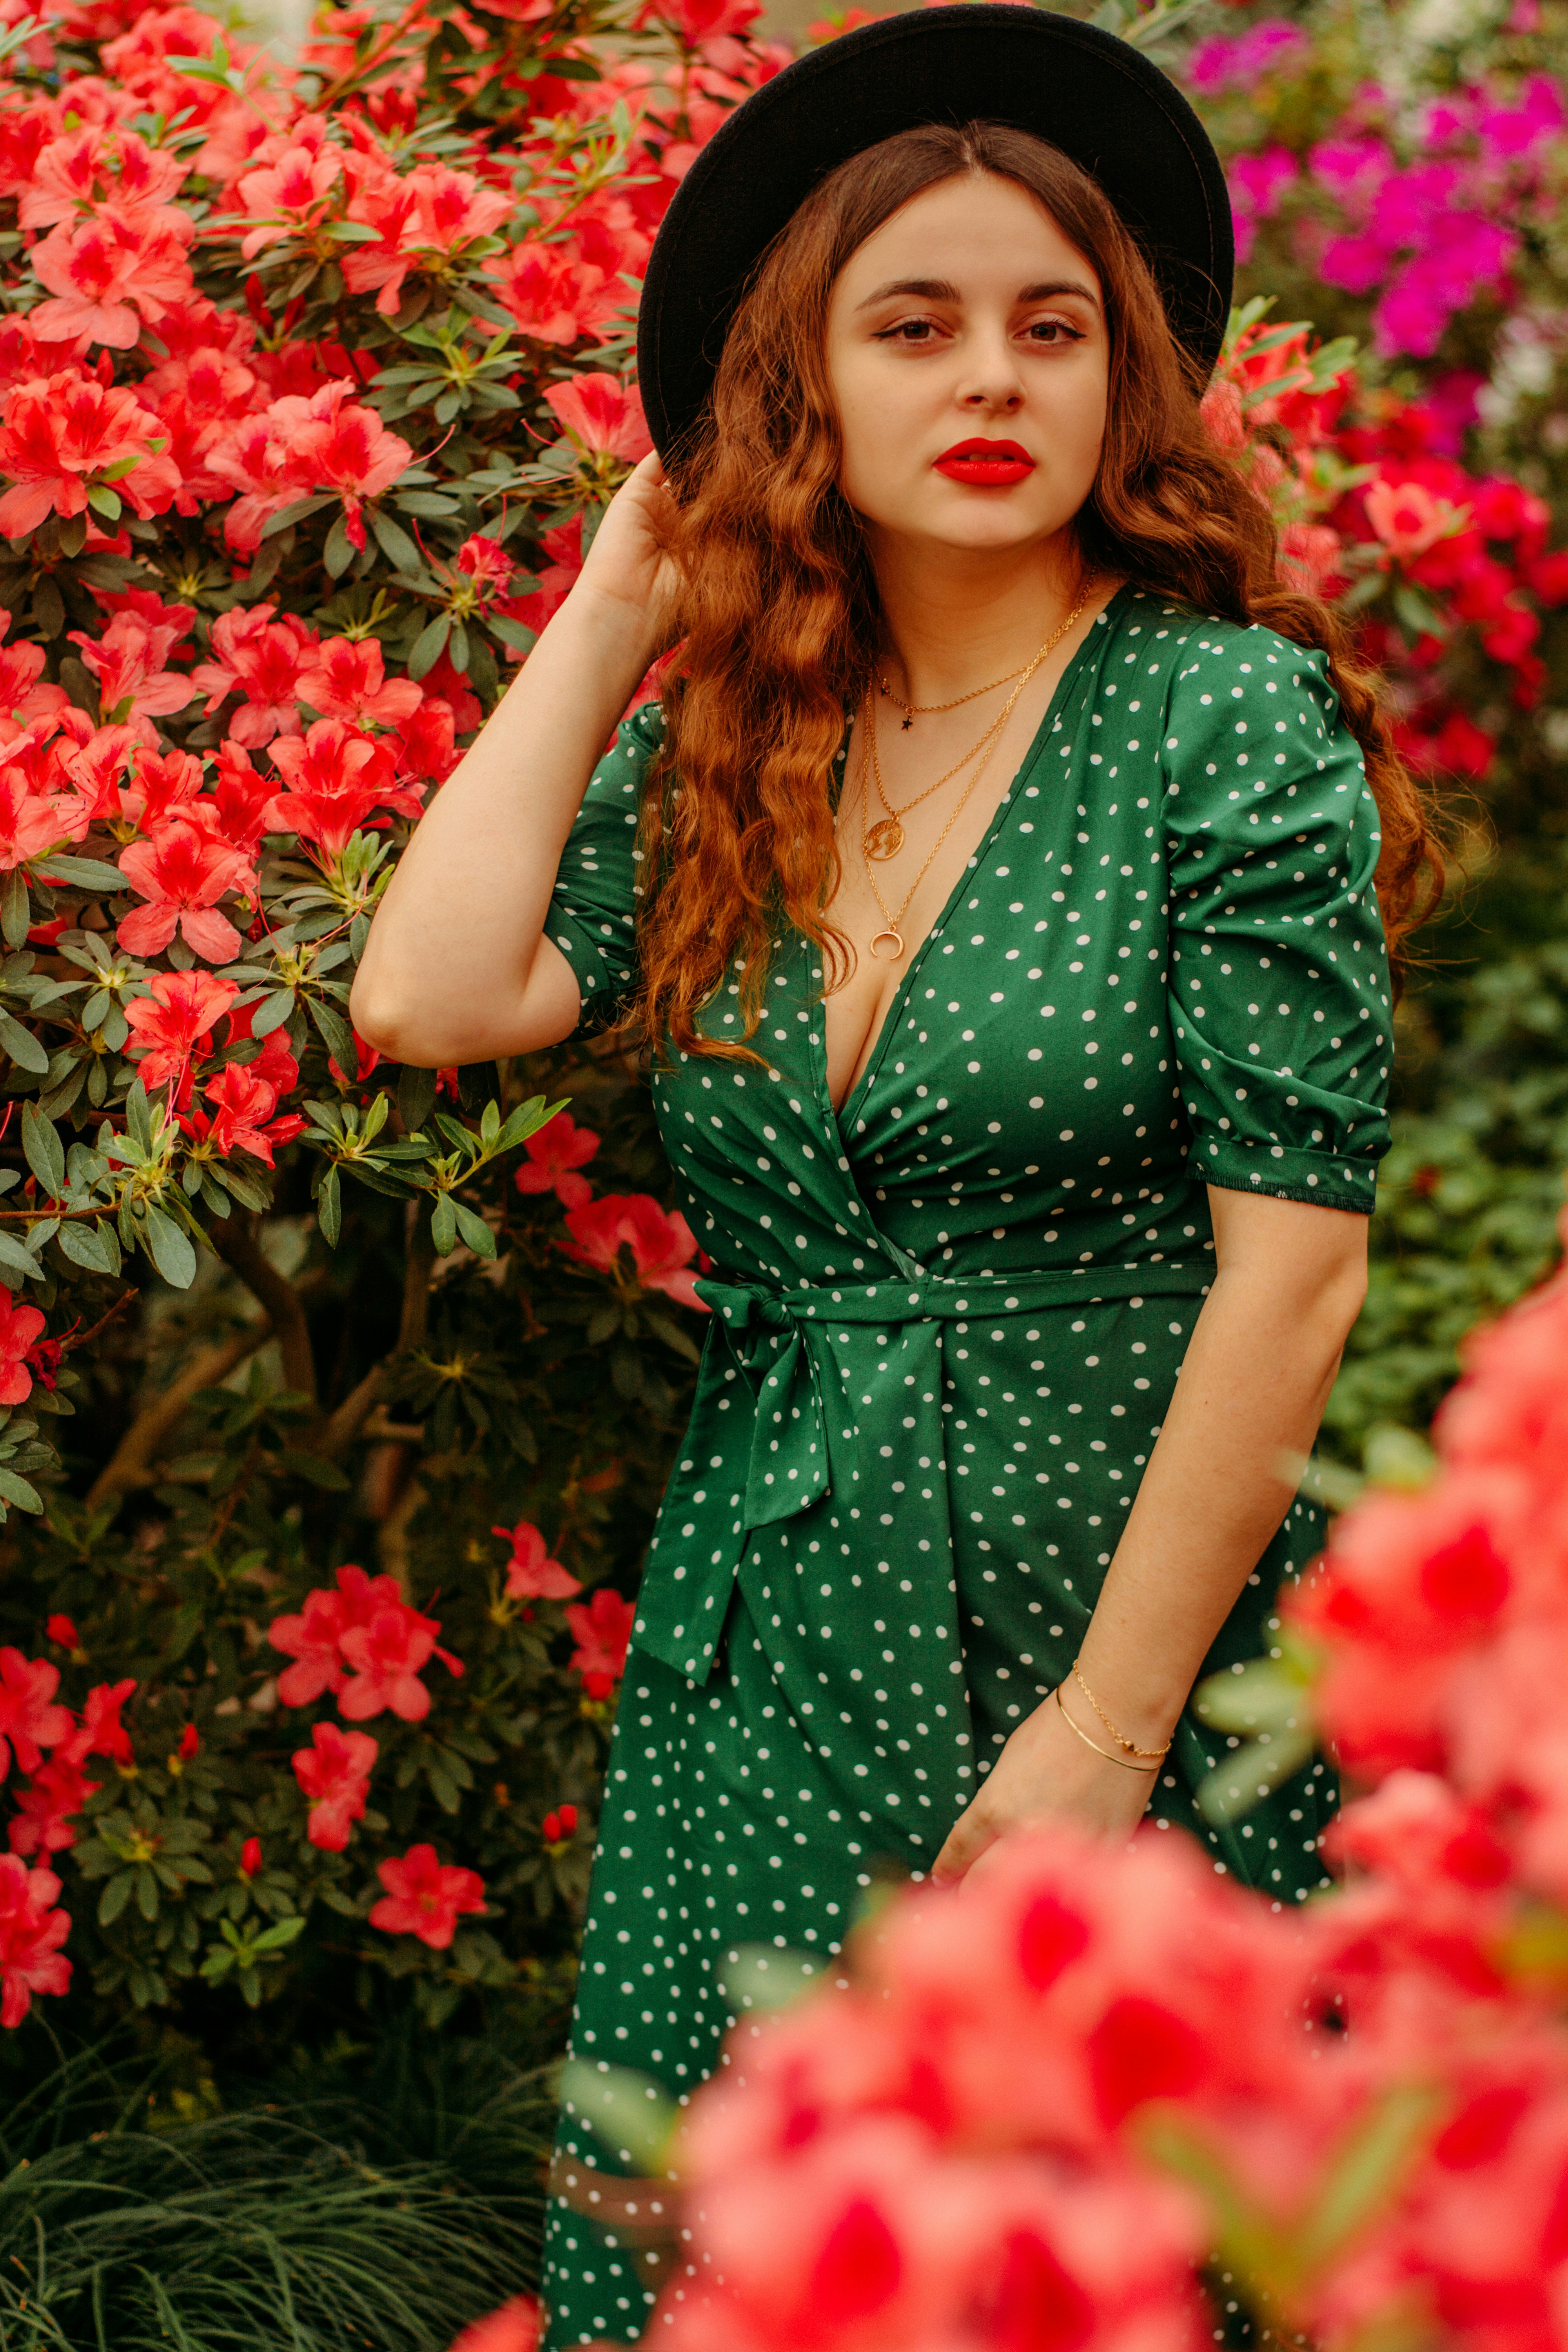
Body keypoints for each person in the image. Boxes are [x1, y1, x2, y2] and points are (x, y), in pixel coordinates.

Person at [350, 9, 1437, 2341]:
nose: (996, 375)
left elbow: (1301, 1277)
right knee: (754, 2261)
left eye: (1055, 328)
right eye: (913, 323)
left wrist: (1108, 1736)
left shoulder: (1214, 719)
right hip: (776, 1652)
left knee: (1135, 2259)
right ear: (804, 386)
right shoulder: (741, 750)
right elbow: (429, 1001)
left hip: (1128, 1615)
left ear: (1121, 379)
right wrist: (628, 595)